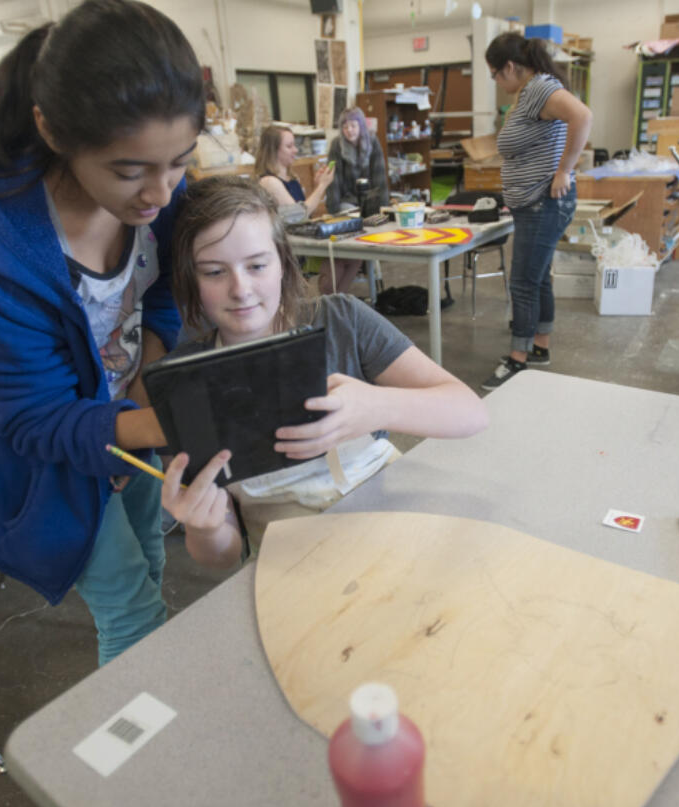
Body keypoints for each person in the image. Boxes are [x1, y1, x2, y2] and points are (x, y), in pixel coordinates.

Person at [0, 0, 203, 665]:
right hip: (53, 464)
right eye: (129, 170)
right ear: (52, 129)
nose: (159, 191)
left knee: (152, 557)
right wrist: (167, 419)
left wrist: (144, 389)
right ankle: (137, 765)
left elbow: (159, 304)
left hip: (131, 417)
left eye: (180, 160)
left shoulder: (159, 190)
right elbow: (36, 421)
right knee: (133, 614)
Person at [160, 175, 488, 560]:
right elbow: (225, 555)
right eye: (214, 272)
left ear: (283, 262)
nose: (241, 289)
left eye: (257, 265)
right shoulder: (183, 380)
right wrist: (206, 527)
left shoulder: (341, 321)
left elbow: (470, 412)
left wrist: (375, 407)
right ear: (190, 278)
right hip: (300, 560)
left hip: (397, 525)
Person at [479, 32, 593, 391]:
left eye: (495, 74)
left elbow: (582, 116)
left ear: (510, 67)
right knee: (538, 277)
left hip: (544, 202)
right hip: (534, 203)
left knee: (523, 282)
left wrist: (564, 170)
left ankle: (518, 360)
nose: (496, 81)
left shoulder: (540, 88)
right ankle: (540, 346)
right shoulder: (529, 92)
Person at [255, 125, 364, 296]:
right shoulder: (269, 182)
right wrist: (322, 186)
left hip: (305, 239)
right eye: (289, 146)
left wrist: (317, 184)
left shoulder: (292, 177)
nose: (295, 150)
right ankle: (328, 304)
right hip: (292, 249)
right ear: (274, 150)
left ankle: (337, 302)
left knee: (356, 256)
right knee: (336, 265)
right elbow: (300, 214)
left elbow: (304, 209)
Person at [322, 107, 389, 295]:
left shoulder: (373, 143)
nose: (349, 130)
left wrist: (384, 209)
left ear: (361, 126)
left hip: (371, 199)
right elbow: (333, 180)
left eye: (352, 125)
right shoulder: (337, 145)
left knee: (373, 225)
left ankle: (374, 276)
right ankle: (355, 269)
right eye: (344, 127)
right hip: (347, 199)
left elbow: (380, 177)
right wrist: (333, 209)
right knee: (351, 219)